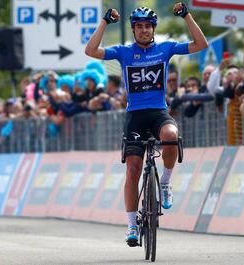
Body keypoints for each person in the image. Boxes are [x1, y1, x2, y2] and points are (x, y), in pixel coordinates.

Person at [85, 2, 208, 246]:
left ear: (153, 29)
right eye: (139, 27)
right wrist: (104, 21)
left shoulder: (166, 48)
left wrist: (186, 16)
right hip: (135, 116)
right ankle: (132, 224)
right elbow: (91, 51)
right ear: (133, 30)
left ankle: (165, 182)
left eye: (147, 26)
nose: (143, 30)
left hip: (158, 112)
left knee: (171, 135)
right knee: (132, 169)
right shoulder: (123, 52)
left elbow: (201, 45)